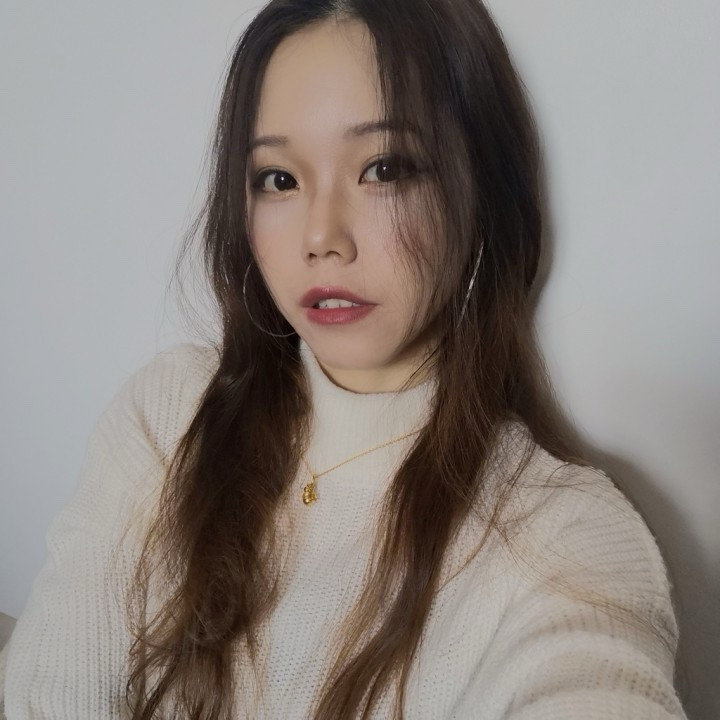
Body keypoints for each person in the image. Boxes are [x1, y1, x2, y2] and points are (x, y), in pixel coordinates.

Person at [0, 0, 689, 718]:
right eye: (279, 179)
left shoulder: (566, 538)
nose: (321, 237)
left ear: (480, 191)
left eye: (384, 168)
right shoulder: (169, 413)